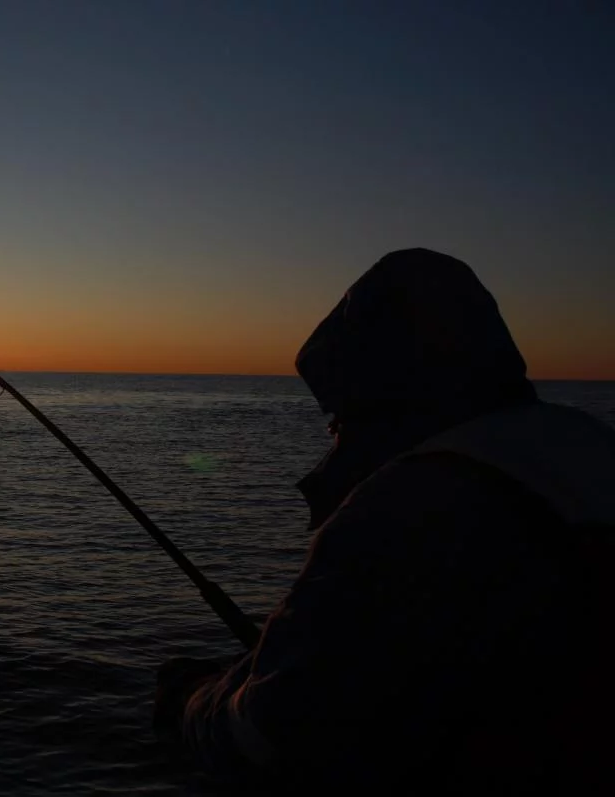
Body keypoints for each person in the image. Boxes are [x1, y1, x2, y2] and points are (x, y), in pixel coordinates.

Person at [153, 248, 615, 794]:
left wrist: (194, 699)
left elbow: (275, 737)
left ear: (369, 392)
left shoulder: (413, 502)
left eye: (336, 419)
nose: (336, 436)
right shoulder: (589, 448)